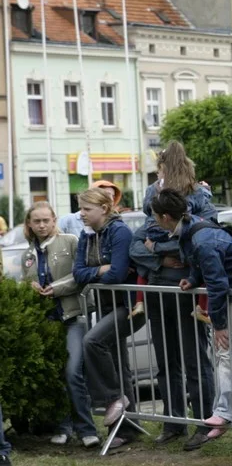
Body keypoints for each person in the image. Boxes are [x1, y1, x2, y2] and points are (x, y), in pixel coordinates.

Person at [131, 142, 217, 450]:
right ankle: (174, 422)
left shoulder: (200, 196)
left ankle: (207, 423)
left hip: (188, 290)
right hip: (158, 288)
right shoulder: (153, 196)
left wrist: (167, 250)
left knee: (196, 360)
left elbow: (206, 236)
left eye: (161, 169)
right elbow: (136, 245)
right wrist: (160, 259)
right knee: (166, 362)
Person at [149, 189, 232, 449]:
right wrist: (192, 279)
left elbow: (217, 283)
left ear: (166, 217)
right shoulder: (190, 229)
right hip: (230, 292)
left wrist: (219, 325)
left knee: (226, 352)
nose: (154, 222)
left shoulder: (202, 239)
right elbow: (199, 265)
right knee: (228, 353)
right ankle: (230, 412)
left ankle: (225, 414)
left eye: (156, 217)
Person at [21, 203, 98, 448]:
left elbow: (81, 275)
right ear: (30, 224)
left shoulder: (71, 241)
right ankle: (63, 427)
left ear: (54, 220)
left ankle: (86, 429)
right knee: (55, 375)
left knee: (73, 372)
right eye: (37, 221)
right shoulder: (28, 254)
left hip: (73, 316)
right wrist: (28, 288)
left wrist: (56, 288)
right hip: (46, 321)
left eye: (46, 220)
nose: (42, 225)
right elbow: (27, 281)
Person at [73, 188, 144, 451]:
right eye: (80, 208)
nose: (81, 214)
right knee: (118, 363)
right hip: (104, 306)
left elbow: (117, 274)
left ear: (104, 209)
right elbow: (77, 272)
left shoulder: (119, 231)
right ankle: (127, 427)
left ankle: (114, 399)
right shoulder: (87, 234)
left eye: (86, 209)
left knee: (92, 342)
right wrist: (100, 270)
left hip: (128, 307)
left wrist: (99, 272)